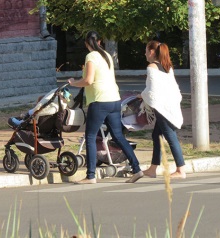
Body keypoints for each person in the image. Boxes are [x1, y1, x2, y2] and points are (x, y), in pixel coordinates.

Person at [68, 31, 143, 184]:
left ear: (86, 44)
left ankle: (90, 176)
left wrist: (73, 83)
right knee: (118, 136)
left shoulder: (91, 57)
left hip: (99, 101)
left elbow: (88, 80)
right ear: (100, 42)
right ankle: (136, 168)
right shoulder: (107, 55)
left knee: (89, 136)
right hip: (114, 100)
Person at [139, 41, 186, 179]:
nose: (145, 54)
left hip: (161, 107)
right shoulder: (167, 67)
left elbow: (152, 90)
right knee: (157, 136)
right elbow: (167, 88)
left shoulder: (152, 67)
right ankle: (153, 169)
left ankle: (181, 169)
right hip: (169, 105)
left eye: (147, 51)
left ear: (152, 52)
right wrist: (143, 94)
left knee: (170, 136)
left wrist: (142, 95)